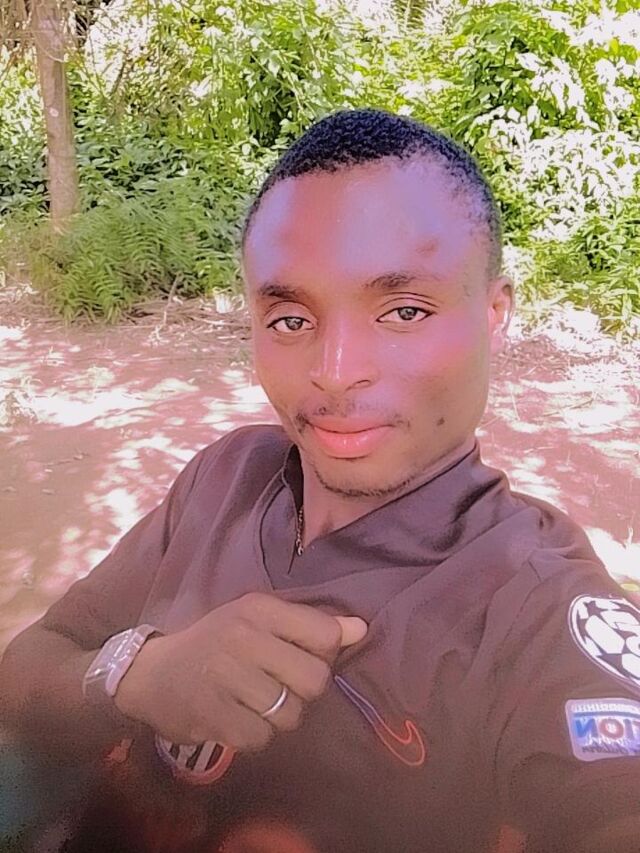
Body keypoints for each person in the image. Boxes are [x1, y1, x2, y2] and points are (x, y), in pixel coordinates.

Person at [1, 108, 639, 853]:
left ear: (493, 315)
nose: (335, 372)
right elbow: (30, 667)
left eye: (404, 310)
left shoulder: (534, 601)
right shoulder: (228, 475)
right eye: (290, 320)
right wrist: (135, 675)